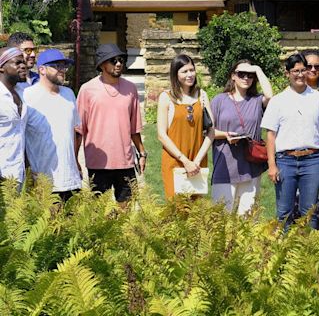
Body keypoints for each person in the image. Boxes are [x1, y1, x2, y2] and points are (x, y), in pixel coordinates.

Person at [261, 53, 319, 229]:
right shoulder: (278, 101)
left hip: (312, 160)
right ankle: (284, 250)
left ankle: (307, 250)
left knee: (309, 211)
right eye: (296, 71)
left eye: (303, 70)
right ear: (287, 73)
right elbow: (270, 135)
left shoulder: (318, 98)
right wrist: (272, 165)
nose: (300, 74)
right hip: (285, 160)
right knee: (284, 211)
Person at [77, 44, 146, 205]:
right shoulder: (87, 90)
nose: (118, 63)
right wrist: (74, 159)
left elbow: (134, 127)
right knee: (99, 214)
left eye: (121, 59)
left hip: (125, 161)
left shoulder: (130, 89)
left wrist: (142, 153)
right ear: (101, 64)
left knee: (126, 210)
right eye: (113, 60)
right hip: (98, 162)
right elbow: (79, 130)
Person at [210, 60, 272, 214]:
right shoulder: (219, 100)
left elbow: (270, 96)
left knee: (248, 220)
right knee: (221, 220)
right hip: (225, 165)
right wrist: (225, 135)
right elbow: (207, 131)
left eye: (250, 75)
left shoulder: (257, 101)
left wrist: (257, 68)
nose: (246, 78)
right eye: (241, 74)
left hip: (250, 166)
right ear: (233, 76)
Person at [24, 49, 82, 201]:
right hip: (44, 182)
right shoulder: (27, 96)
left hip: (71, 179)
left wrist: (76, 161)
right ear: (41, 69)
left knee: (74, 224)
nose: (62, 70)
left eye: (64, 66)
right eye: (57, 66)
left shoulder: (69, 94)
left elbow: (76, 131)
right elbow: (20, 137)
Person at [157, 54, 214, 199]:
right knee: (176, 208)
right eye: (184, 71)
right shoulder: (166, 97)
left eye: (192, 70)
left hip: (197, 160)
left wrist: (196, 161)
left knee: (195, 211)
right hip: (175, 160)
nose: (190, 74)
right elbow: (161, 135)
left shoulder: (202, 95)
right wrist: (185, 161)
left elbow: (211, 132)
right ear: (175, 74)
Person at [0, 47, 28, 189]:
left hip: (19, 173)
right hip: (2, 174)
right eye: (17, 63)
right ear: (2, 68)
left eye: (23, 62)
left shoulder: (23, 93)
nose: (23, 66)